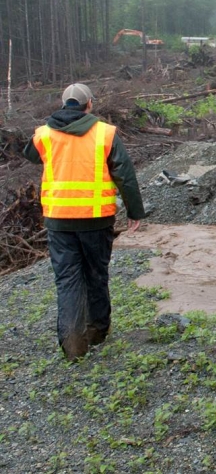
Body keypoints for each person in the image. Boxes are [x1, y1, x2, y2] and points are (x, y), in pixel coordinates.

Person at [23, 83, 146, 360]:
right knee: (96, 275)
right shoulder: (105, 133)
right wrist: (135, 212)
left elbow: (29, 154)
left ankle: (73, 344)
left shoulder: (44, 134)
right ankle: (98, 331)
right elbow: (124, 174)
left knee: (67, 279)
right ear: (89, 104)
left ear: (63, 102)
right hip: (96, 220)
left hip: (58, 221)